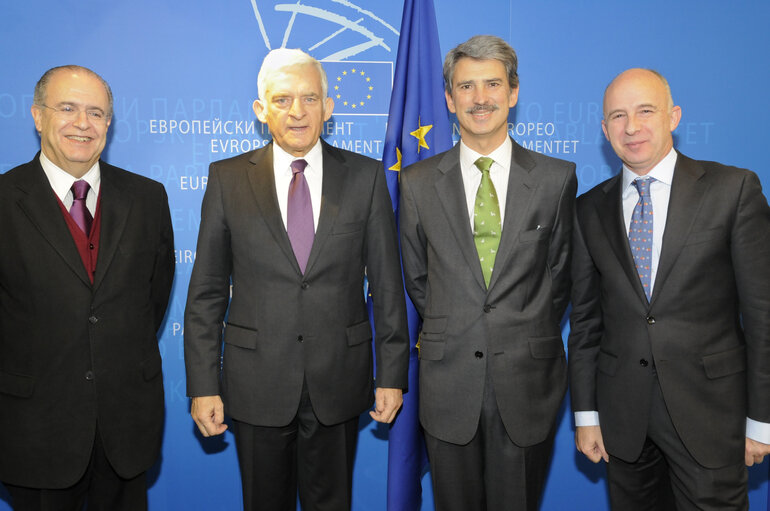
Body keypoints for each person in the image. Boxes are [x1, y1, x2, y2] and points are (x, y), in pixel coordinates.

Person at [183, 48, 409, 511]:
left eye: (310, 98)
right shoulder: (226, 179)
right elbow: (206, 294)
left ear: (329, 108)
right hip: (255, 383)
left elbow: (387, 286)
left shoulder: (366, 178)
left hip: (339, 381)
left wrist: (391, 375)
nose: (298, 111)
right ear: (261, 110)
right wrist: (204, 385)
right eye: (282, 99)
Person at [569, 68, 770, 510]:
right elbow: (585, 323)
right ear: (604, 130)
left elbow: (763, 315)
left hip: (712, 417)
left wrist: (762, 420)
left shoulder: (731, 190)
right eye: (617, 116)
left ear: (673, 116)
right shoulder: (588, 210)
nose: (632, 127)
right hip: (623, 422)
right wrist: (585, 415)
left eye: (645, 111)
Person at [399, 35, 577, 511]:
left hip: (527, 382)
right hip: (448, 381)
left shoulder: (556, 178)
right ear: (449, 99)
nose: (480, 99)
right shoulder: (416, 184)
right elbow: (418, 279)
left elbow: (559, 277)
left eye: (493, 84)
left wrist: (518, 323)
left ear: (514, 92)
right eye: (467, 86)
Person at [0, 65, 174, 510]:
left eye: (96, 113)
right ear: (38, 116)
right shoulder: (4, 200)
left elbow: (150, 303)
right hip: (34, 432)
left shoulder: (148, 199)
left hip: (126, 431)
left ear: (109, 124)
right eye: (68, 108)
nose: (83, 123)